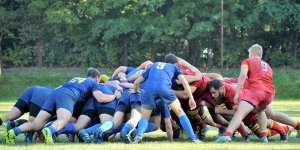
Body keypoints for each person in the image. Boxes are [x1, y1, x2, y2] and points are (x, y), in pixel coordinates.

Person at [7, 68, 120, 144]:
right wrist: (115, 96)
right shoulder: (93, 83)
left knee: (36, 123)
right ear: (97, 78)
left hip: (54, 94)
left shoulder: (74, 78)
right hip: (67, 96)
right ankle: (50, 131)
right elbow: (100, 98)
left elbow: (58, 88)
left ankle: (14, 131)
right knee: (63, 120)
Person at [215, 44, 282, 143]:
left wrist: (237, 93)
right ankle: (264, 137)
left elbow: (243, 75)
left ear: (250, 53)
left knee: (240, 112)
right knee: (260, 111)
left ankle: (227, 135)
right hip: (270, 93)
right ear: (261, 55)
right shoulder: (267, 65)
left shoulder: (247, 61)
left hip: (256, 90)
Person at [131, 54, 201, 143]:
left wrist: (136, 91)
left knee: (144, 117)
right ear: (176, 63)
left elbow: (136, 82)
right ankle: (194, 138)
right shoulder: (174, 67)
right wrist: (191, 98)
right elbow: (184, 83)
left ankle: (139, 135)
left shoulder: (154, 65)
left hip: (148, 91)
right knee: (180, 112)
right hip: (164, 89)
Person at [207, 79, 291, 142]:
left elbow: (239, 112)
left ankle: (283, 130)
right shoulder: (222, 87)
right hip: (246, 113)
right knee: (260, 133)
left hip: (251, 110)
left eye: (214, 92)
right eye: (211, 93)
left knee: (265, 123)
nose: (212, 95)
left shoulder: (232, 94)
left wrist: (221, 111)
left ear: (221, 88)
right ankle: (285, 129)